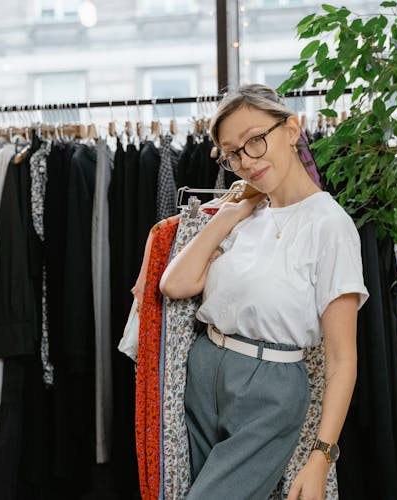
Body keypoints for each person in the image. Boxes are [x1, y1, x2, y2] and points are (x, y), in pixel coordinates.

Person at [160, 83, 369, 500]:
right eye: (232, 153)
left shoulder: (329, 224)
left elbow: (342, 357)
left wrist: (321, 456)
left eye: (255, 140)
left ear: (291, 129)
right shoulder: (246, 214)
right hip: (203, 369)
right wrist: (235, 211)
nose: (246, 161)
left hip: (269, 385)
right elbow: (175, 284)